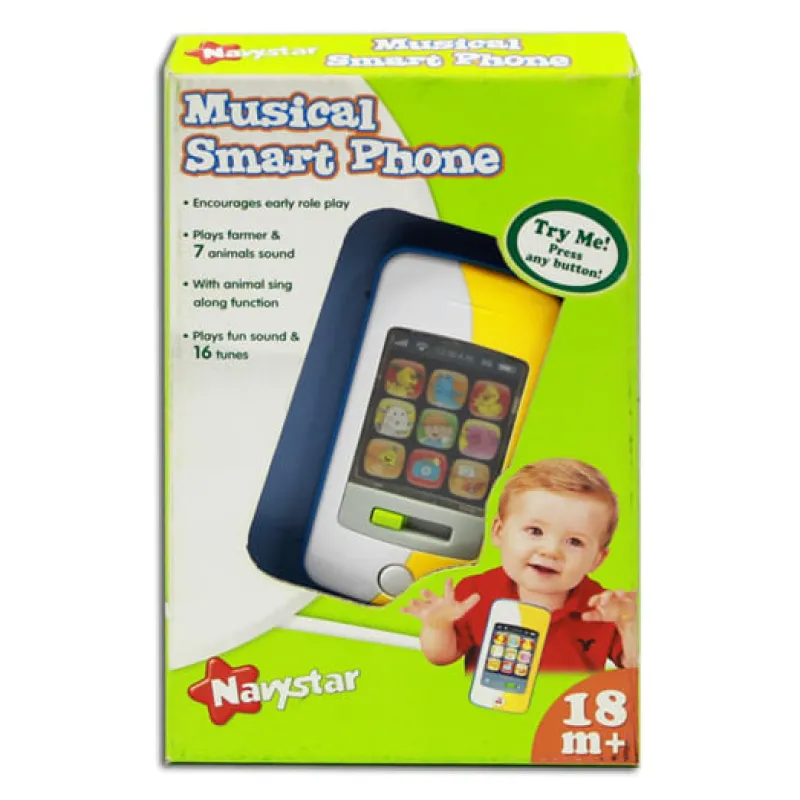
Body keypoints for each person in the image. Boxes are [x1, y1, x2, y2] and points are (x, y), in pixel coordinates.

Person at [402, 458, 638, 672]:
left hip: (570, 706)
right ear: (499, 531)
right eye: (535, 531)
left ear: (597, 559)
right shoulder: (475, 593)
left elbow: (635, 665)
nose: (550, 551)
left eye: (575, 542)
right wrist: (438, 625)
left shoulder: (603, 607)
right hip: (491, 703)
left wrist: (629, 624)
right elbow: (441, 657)